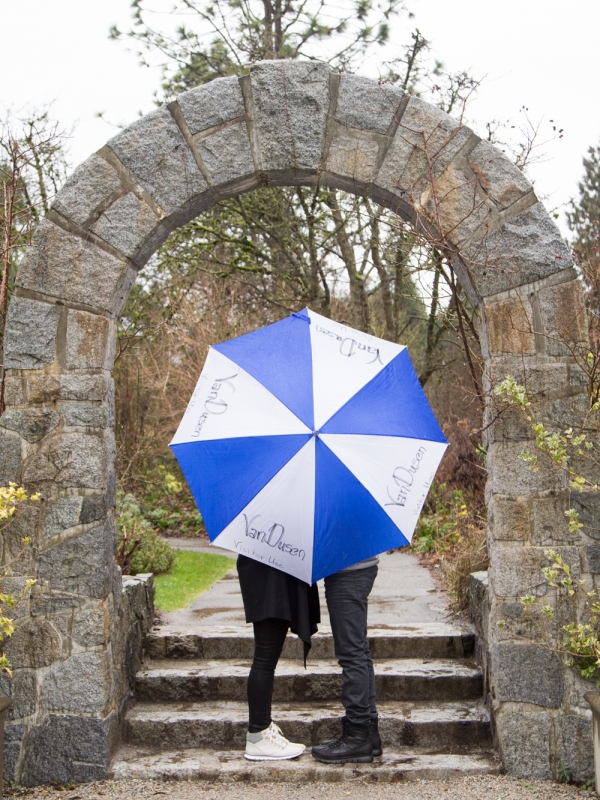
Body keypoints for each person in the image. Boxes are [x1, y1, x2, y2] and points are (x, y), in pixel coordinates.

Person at [237, 554, 320, 761]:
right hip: (270, 579)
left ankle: (261, 729)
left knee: (264, 660)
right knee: (264, 660)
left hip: (269, 576)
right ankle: (258, 734)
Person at [311, 555, 381, 764]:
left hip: (348, 572)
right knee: (359, 652)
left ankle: (357, 735)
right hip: (356, 569)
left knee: (352, 654)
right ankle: (369, 732)